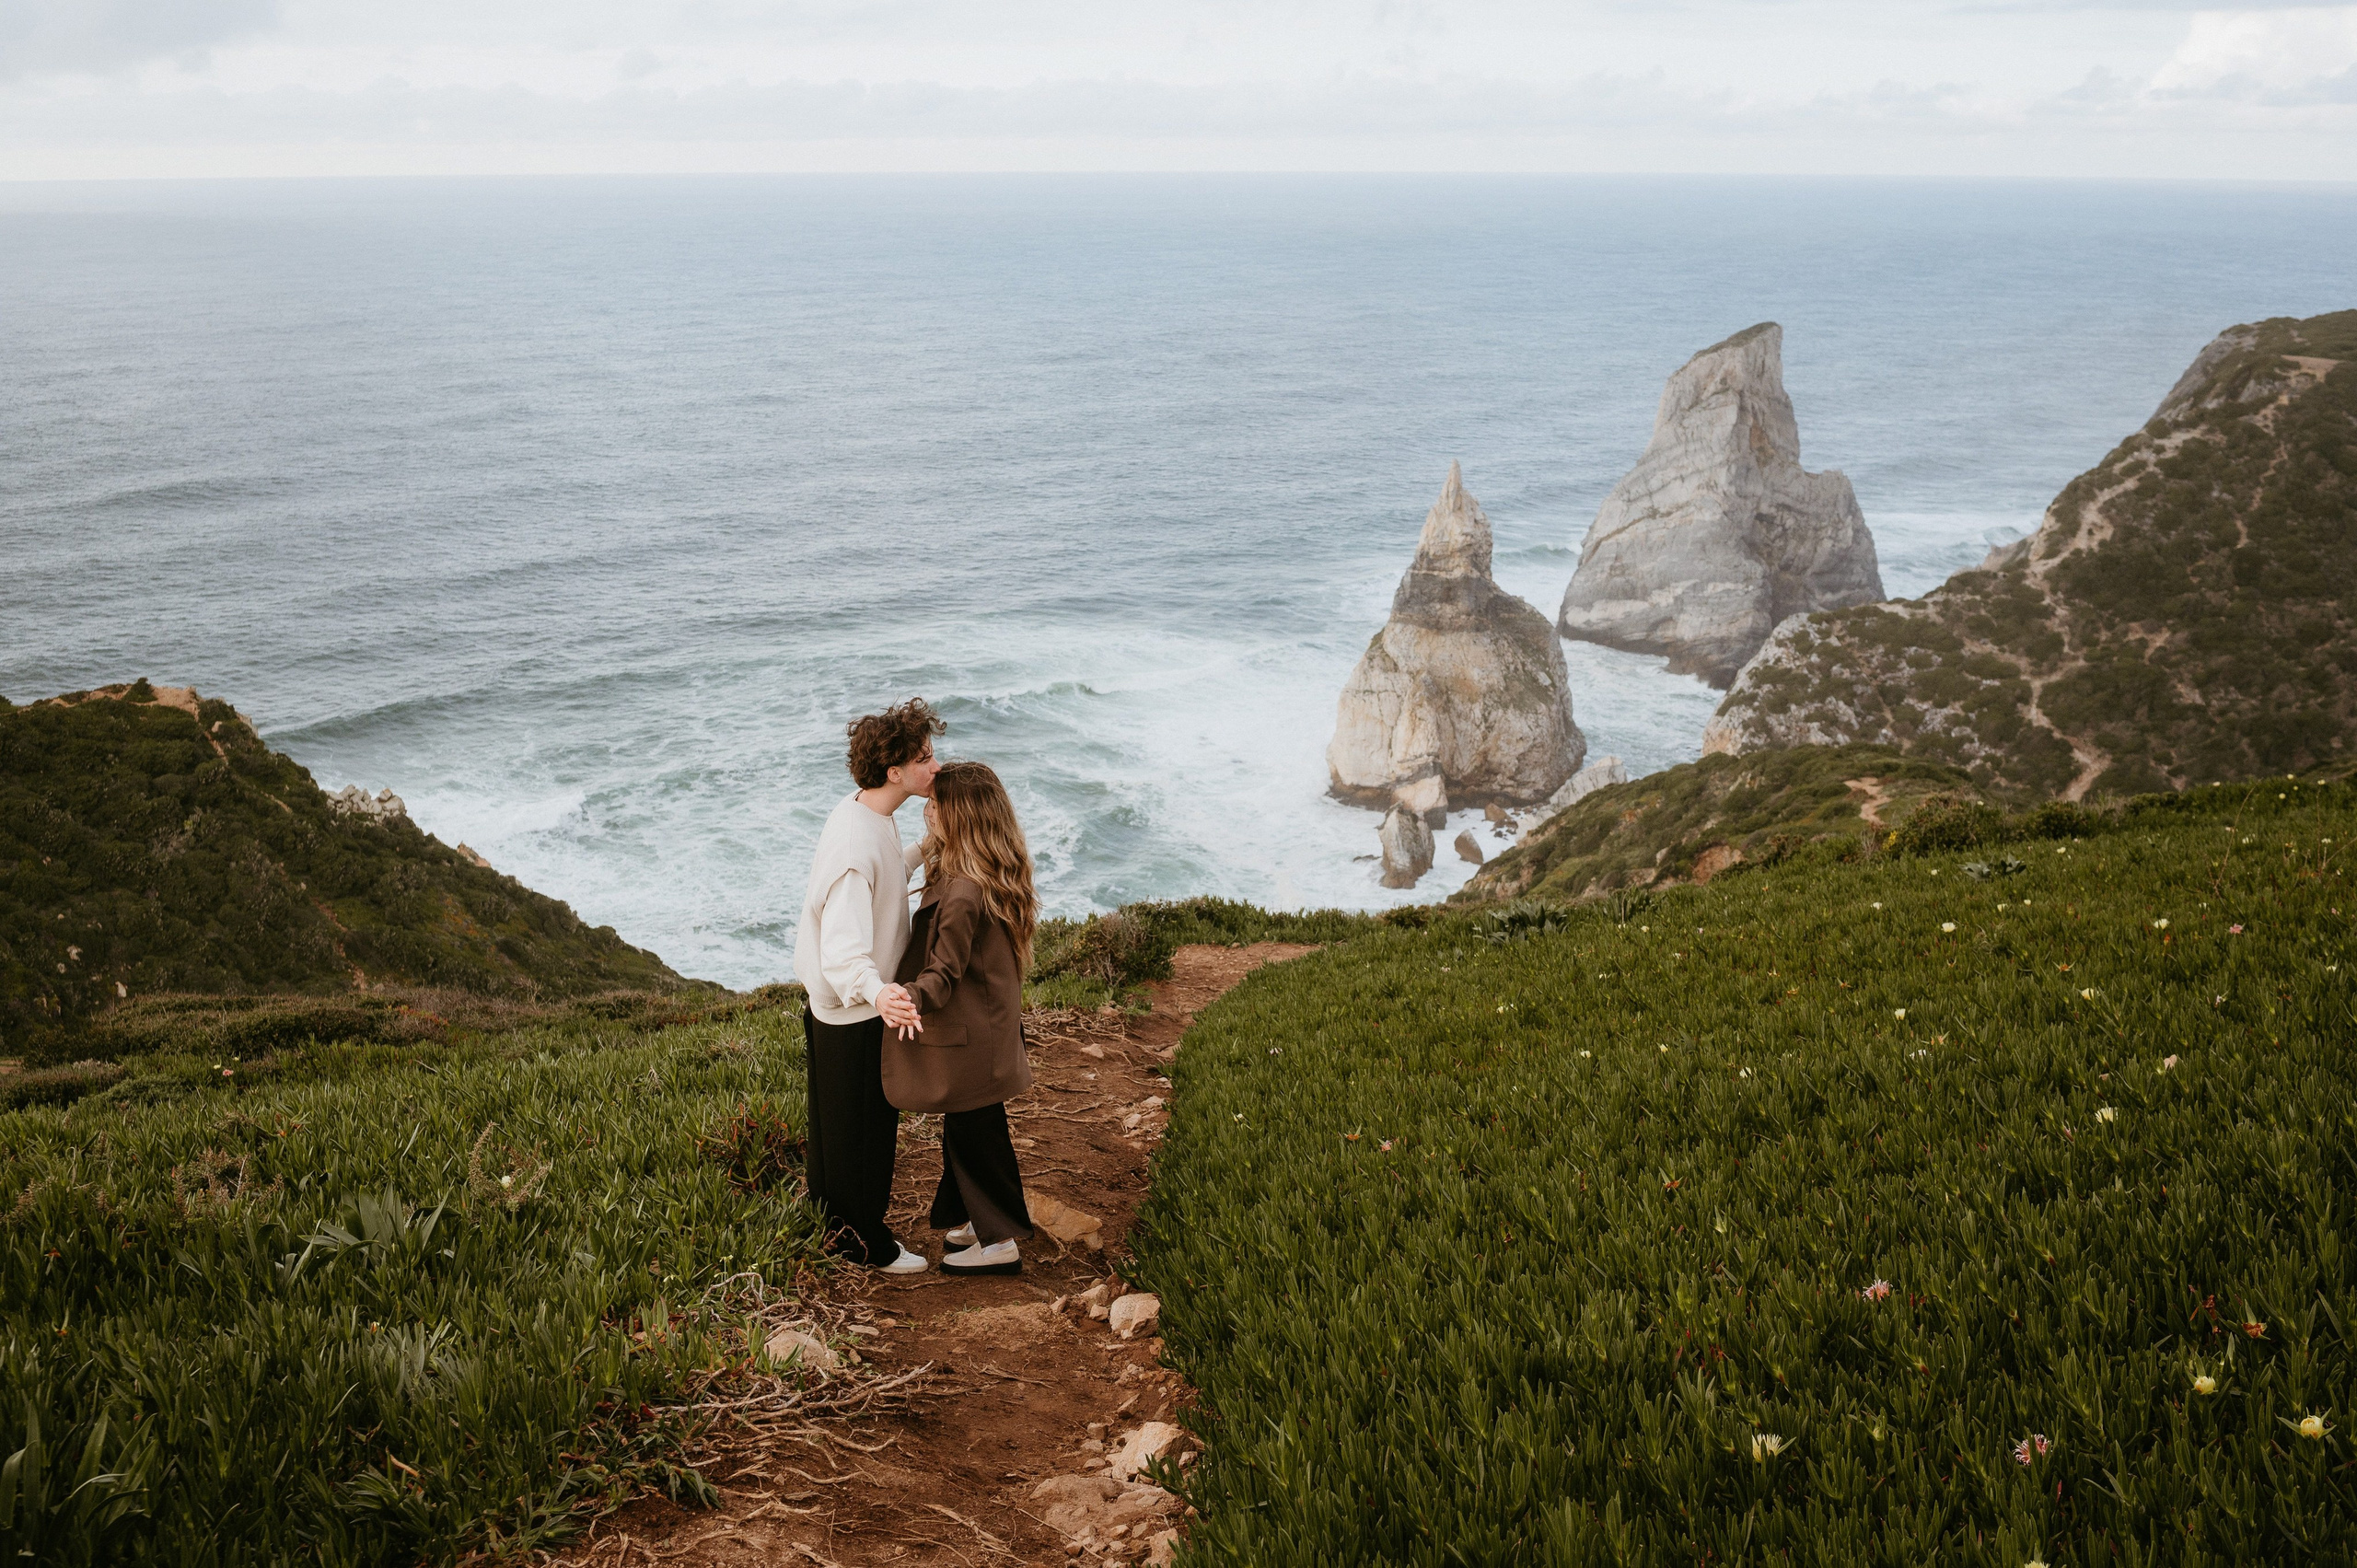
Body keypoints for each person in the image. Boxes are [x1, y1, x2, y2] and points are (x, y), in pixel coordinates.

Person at [794, 698, 944, 1272]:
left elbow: (886, 870)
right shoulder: (856, 847)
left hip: (833, 1007)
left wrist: (923, 851)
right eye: (925, 758)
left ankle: (830, 1226)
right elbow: (843, 946)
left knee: (834, 1129)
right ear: (895, 772)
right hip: (855, 1008)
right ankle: (866, 1246)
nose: (936, 767)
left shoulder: (864, 814)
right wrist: (878, 991)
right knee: (866, 1135)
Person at [884, 761, 1038, 1276]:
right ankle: (978, 1219)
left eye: (935, 804)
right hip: (987, 1032)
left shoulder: (963, 890)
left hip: (974, 1039)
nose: (926, 810)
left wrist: (901, 996)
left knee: (977, 1139)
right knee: (971, 1132)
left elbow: (943, 973)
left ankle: (1000, 1244)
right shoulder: (985, 873)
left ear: (961, 816)